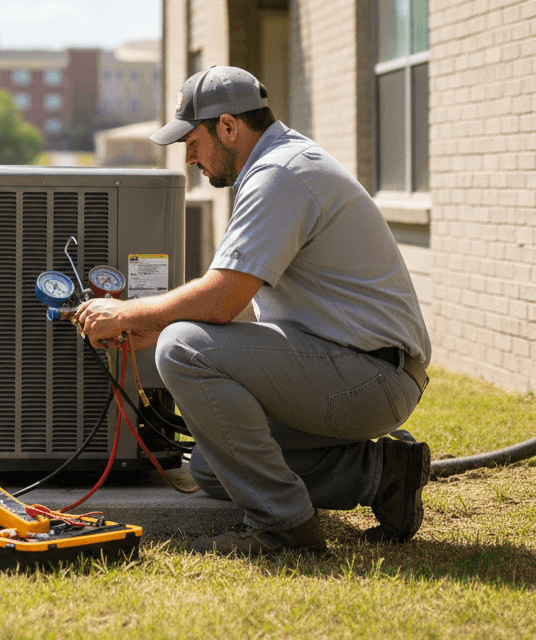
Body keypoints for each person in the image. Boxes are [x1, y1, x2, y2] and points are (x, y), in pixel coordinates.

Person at [75, 65, 432, 556]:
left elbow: (222, 301)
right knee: (210, 465)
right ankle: (382, 475)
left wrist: (133, 316)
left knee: (182, 347)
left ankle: (286, 528)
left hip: (370, 375)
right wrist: (151, 321)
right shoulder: (280, 165)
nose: (190, 157)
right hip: (361, 368)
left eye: (192, 141)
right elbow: (233, 304)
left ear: (228, 126)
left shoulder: (279, 174)